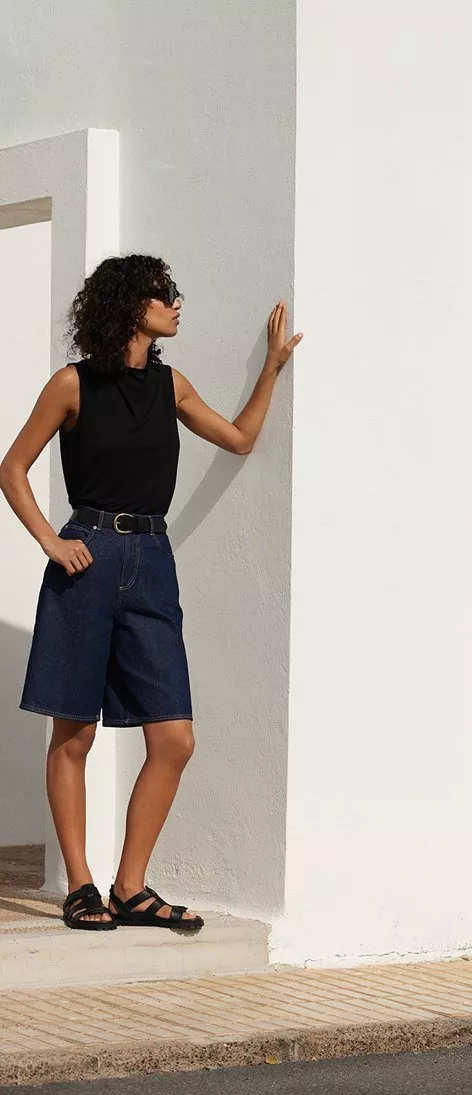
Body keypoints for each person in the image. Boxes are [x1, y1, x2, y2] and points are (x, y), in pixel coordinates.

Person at [0, 255, 301, 930]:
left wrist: (271, 368)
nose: (176, 304)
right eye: (165, 294)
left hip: (153, 563)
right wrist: (50, 540)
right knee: (74, 732)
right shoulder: (71, 384)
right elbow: (11, 467)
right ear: (131, 305)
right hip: (87, 556)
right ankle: (81, 886)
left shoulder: (171, 385)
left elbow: (239, 439)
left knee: (174, 738)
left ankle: (130, 888)